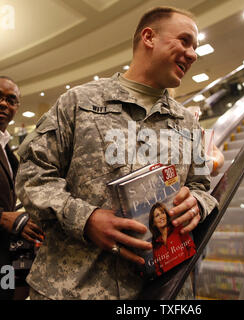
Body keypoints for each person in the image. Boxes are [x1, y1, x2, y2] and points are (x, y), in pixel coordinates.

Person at [16, 6, 218, 300]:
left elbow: (201, 186)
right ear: (149, 37)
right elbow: (32, 176)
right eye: (185, 41)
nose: (193, 54)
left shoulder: (186, 121)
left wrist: (198, 204)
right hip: (72, 289)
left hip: (161, 290)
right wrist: (85, 219)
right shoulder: (78, 102)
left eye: (195, 47)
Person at [0, 76, 44, 300]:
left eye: (11, 99)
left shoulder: (9, 152)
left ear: (17, 106)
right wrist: (4, 218)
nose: (3, 104)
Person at [149, 202, 196, 276]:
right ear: (153, 222)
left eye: (163, 213)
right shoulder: (155, 244)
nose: (161, 216)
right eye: (157, 215)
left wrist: (187, 270)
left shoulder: (178, 229)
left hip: (186, 274)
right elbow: (158, 270)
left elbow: (192, 248)